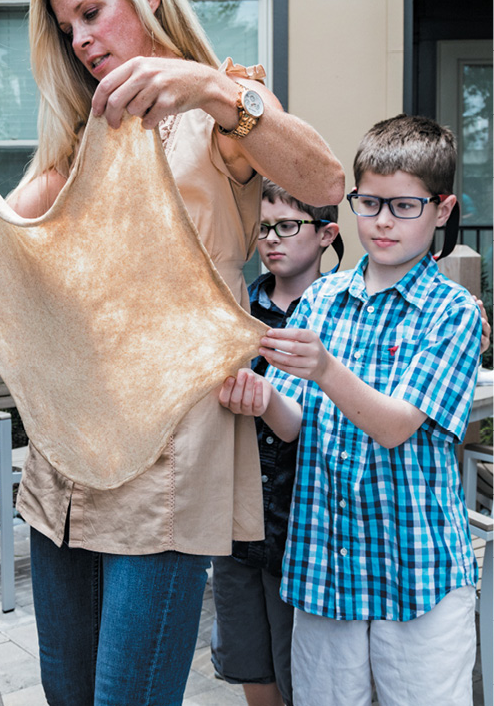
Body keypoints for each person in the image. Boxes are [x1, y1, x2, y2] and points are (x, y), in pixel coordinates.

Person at [0, 0, 344, 703]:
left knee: (128, 695)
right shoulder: (77, 143)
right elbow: (2, 267)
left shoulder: (225, 108)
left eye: (91, 11)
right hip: (67, 457)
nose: (80, 39)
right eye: (65, 27)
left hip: (170, 449)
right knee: (68, 692)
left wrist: (210, 88)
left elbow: (324, 176)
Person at [218, 114, 482, 706]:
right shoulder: (323, 298)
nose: (382, 221)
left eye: (404, 206)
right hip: (325, 572)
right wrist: (261, 401)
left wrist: (326, 369)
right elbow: (298, 426)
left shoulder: (454, 311)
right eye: (369, 202)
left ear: (442, 210)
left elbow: (394, 428)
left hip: (417, 574)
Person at [210, 179, 340, 706]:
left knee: (300, 669)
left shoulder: (345, 309)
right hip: (236, 515)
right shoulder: (236, 305)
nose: (272, 239)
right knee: (247, 656)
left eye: (287, 226)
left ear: (328, 233)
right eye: (263, 228)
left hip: (305, 524)